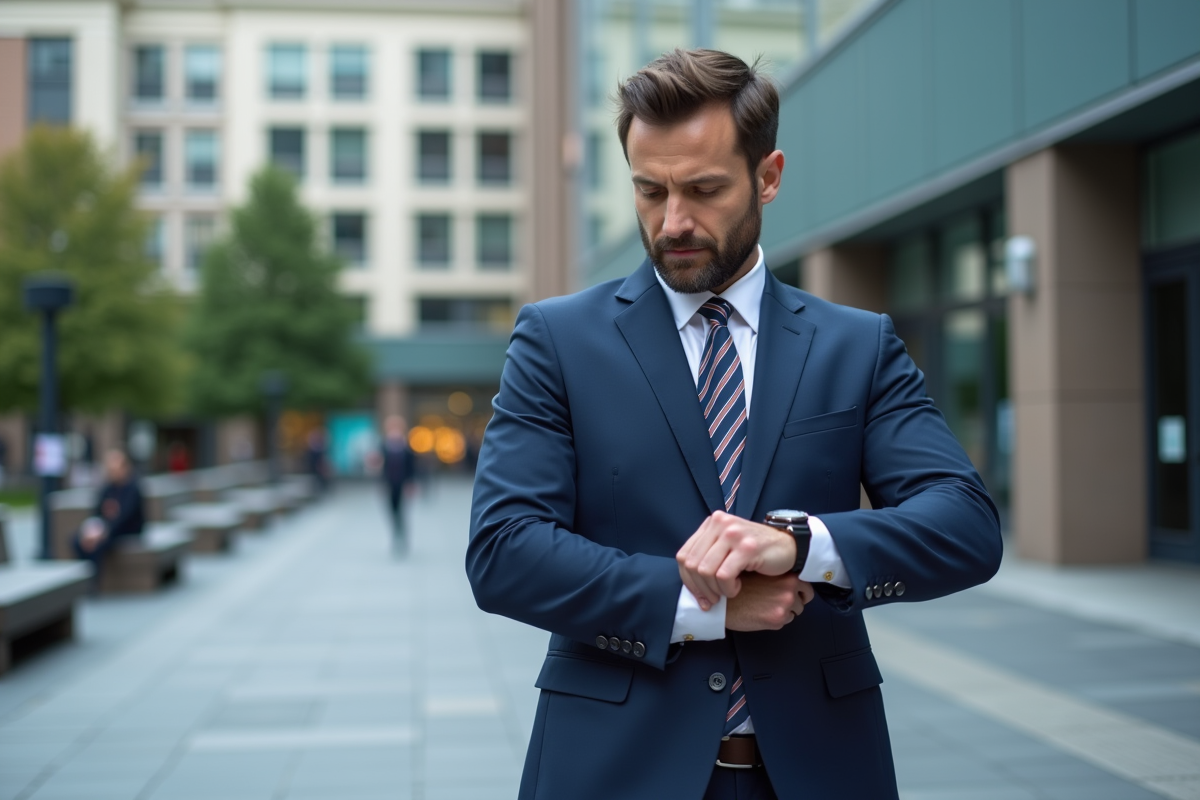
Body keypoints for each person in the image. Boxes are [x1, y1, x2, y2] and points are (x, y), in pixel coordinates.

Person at [467, 49, 1002, 800]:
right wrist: (703, 608)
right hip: (613, 771)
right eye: (648, 191)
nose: (673, 221)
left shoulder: (857, 344)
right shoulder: (557, 341)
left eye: (704, 189)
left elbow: (966, 527)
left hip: (819, 773)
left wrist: (802, 545)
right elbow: (504, 552)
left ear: (769, 177)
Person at [73, 448, 145, 585]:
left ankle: (94, 583)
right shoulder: (107, 488)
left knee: (98, 545)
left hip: (126, 530)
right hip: (106, 528)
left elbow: (126, 517)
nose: (113, 472)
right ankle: (82, 579)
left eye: (115, 468)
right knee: (77, 540)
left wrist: (103, 533)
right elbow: (97, 512)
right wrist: (92, 531)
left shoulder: (133, 488)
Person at [376, 415, 416, 541]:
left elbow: (412, 466)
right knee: (392, 509)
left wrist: (411, 483)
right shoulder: (383, 446)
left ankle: (401, 531)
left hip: (403, 482)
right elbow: (380, 467)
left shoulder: (406, 447)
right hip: (389, 483)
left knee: (402, 509)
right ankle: (396, 529)